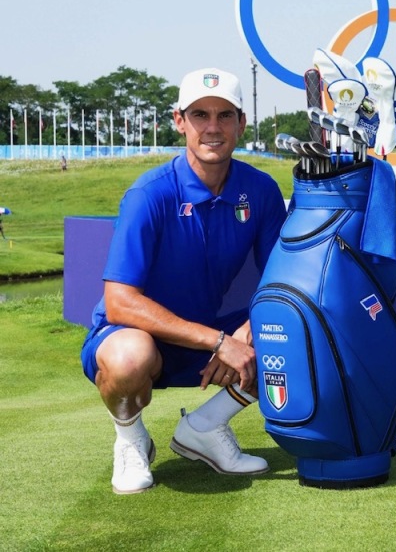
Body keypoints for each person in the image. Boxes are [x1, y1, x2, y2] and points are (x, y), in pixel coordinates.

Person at [80, 67, 287, 495]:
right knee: (128, 358)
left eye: (224, 115)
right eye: (200, 115)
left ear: (241, 123)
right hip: (135, 336)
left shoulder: (261, 190)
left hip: (204, 337)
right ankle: (131, 438)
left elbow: (282, 281)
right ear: (180, 122)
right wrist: (218, 341)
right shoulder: (149, 194)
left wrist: (248, 330)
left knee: (292, 327)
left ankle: (205, 428)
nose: (213, 127)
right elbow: (119, 302)